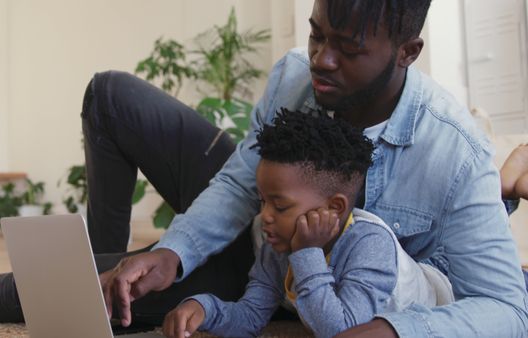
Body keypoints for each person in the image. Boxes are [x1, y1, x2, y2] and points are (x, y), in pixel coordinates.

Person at [0, 0, 527, 336]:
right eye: (316, 34)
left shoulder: (455, 156)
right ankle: (108, 264)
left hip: (277, 284)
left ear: (407, 52)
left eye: (347, 49)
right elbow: (238, 181)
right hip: (262, 234)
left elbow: (507, 309)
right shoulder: (295, 80)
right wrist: (172, 250)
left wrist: (392, 329)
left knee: (69, 296)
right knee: (111, 96)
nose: (321, 61)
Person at [162, 109, 453, 338]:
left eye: (281, 205)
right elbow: (251, 318)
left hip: (441, 298)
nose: (266, 216)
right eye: (263, 201)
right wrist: (204, 308)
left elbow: (343, 332)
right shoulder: (277, 245)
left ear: (335, 207)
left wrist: (306, 254)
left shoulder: (369, 245)